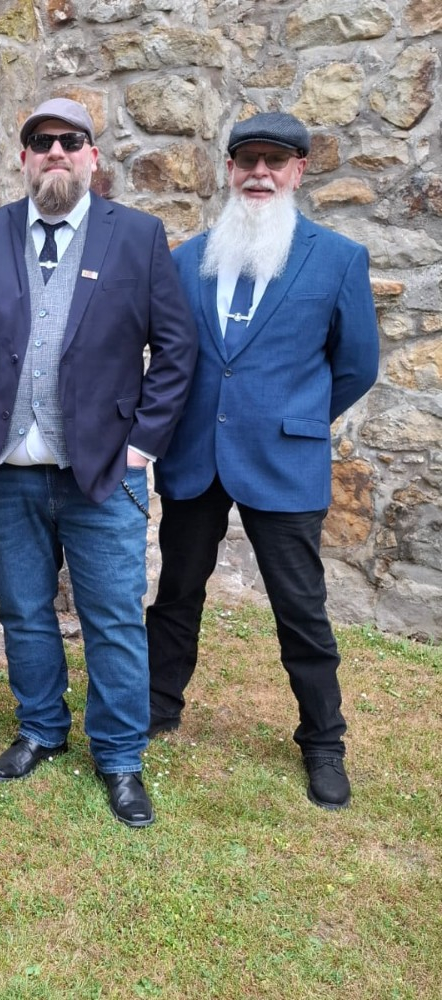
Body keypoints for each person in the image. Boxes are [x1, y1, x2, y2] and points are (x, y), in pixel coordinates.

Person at [0, 98, 198, 828]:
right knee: (23, 609)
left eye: (70, 141)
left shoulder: (138, 236)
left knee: (114, 617)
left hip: (104, 473)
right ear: (24, 158)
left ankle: (119, 756)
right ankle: (41, 727)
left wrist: (142, 443)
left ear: (93, 156)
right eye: (41, 141)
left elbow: (176, 349)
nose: (55, 151)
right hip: (6, 471)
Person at [146, 112, 380, 810]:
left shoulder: (337, 259)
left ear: (298, 171)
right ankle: (158, 705)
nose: (259, 173)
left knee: (300, 607)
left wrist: (297, 416)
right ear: (228, 169)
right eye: (247, 160)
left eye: (274, 161)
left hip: (284, 460)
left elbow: (357, 365)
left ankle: (323, 743)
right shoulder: (187, 259)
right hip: (195, 456)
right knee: (177, 593)